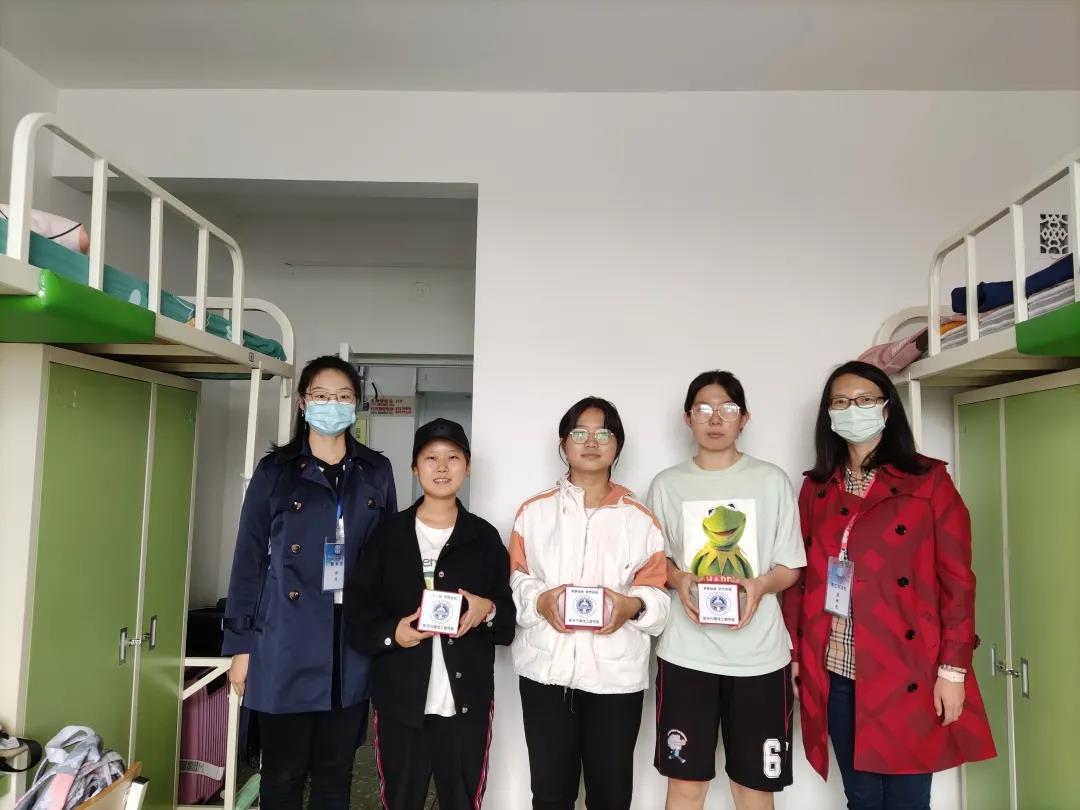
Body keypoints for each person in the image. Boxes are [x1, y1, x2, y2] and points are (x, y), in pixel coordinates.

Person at [782, 360, 995, 810]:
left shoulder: (928, 481)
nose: (852, 409)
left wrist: (953, 671)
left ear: (886, 408)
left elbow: (958, 582)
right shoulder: (817, 488)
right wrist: (797, 654)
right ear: (828, 414)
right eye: (841, 402)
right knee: (859, 797)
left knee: (908, 800)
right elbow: (800, 581)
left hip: (908, 668)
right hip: (838, 667)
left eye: (864, 400)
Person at [222, 355, 397, 810]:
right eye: (321, 396)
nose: (331, 404)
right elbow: (248, 561)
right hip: (285, 639)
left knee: (336, 776)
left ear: (355, 404)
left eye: (343, 396)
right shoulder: (276, 471)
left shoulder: (376, 471)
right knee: (282, 775)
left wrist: (388, 639)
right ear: (303, 402)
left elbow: (389, 559)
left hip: (350, 643)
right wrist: (241, 648)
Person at [648, 370, 805, 810]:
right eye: (703, 409)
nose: (715, 418)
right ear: (688, 418)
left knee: (754, 786)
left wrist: (760, 585)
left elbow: (790, 565)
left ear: (744, 418)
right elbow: (656, 562)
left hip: (760, 658)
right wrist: (679, 579)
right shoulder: (667, 484)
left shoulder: (771, 480)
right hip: (686, 654)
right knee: (685, 785)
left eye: (727, 409)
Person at [346, 418, 515, 810]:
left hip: (466, 703)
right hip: (400, 702)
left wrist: (488, 609)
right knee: (400, 801)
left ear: (467, 467)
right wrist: (393, 633)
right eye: (430, 458)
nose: (442, 467)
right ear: (414, 468)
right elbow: (357, 614)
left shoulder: (484, 538)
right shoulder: (387, 536)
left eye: (452, 458)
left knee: (462, 801)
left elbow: (507, 622)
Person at [510, 397, 670, 810]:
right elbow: (518, 579)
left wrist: (632, 606)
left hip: (614, 679)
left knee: (611, 796)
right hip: (546, 675)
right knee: (550, 795)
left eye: (604, 433)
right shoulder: (533, 512)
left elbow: (657, 596)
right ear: (563, 443)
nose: (592, 442)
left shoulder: (640, 519)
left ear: (618, 445)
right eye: (580, 432)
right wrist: (540, 600)